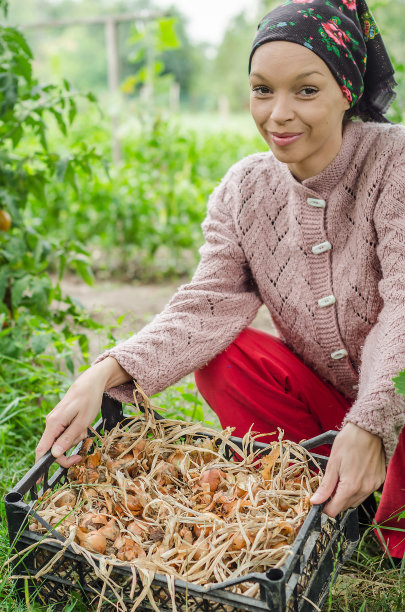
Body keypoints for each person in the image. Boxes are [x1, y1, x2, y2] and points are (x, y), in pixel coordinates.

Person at [36, 0, 405, 561]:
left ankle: (372, 501)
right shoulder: (245, 189)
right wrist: (104, 371)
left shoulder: (393, 161)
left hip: (396, 393)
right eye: (262, 90)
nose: (278, 114)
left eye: (306, 90)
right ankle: (323, 493)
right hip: (333, 409)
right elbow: (205, 304)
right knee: (224, 353)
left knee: (394, 537)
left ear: (347, 91)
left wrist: (375, 422)